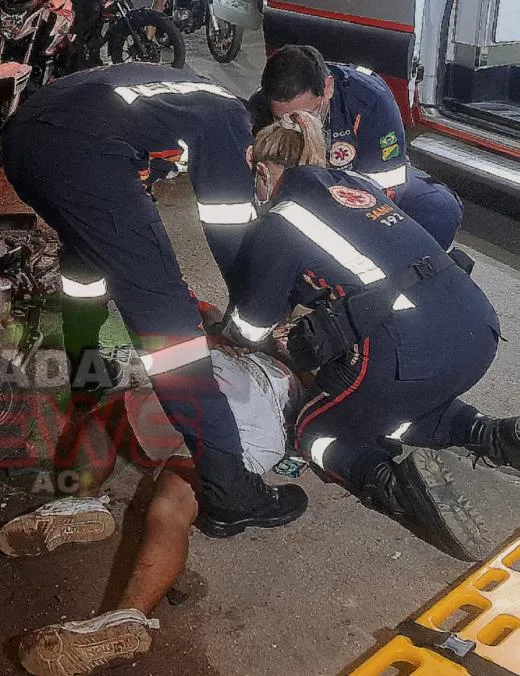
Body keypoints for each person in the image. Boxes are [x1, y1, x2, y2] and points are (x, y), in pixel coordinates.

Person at [0, 62, 308, 674]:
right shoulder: (224, 122)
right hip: (81, 152)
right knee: (167, 328)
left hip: (26, 142)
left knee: (88, 279)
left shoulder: (186, 95)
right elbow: (228, 233)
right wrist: (256, 312)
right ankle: (231, 493)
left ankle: (77, 493)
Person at [222, 110, 520, 560]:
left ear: (260, 169)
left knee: (313, 429)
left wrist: (260, 337)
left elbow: (251, 327)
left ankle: (395, 488)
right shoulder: (356, 185)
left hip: (414, 352)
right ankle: (494, 435)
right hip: (478, 328)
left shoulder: (281, 219)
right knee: (388, 407)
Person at [249, 45, 463, 252]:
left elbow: (387, 186)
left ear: (328, 88)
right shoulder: (258, 107)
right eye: (282, 119)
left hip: (362, 184)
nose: (297, 126)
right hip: (298, 194)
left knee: (439, 207)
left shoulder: (370, 100)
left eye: (308, 114)